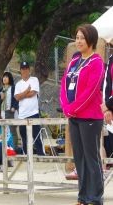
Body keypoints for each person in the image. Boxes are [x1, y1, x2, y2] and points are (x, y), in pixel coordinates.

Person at [60, 24, 104, 205]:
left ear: (91, 41)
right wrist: (65, 105)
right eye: (77, 37)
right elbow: (64, 83)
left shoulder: (96, 62)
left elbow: (91, 90)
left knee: (91, 157)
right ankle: (83, 196)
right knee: (79, 159)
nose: (78, 41)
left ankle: (95, 197)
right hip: (74, 116)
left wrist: (74, 107)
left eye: (82, 38)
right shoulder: (74, 61)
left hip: (90, 117)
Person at [14, 62, 45, 156]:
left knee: (36, 134)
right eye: (23, 68)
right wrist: (27, 91)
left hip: (33, 112)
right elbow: (16, 97)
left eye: (26, 68)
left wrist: (22, 95)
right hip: (22, 114)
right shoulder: (18, 84)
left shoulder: (34, 80)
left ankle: (41, 154)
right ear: (20, 70)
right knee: (24, 136)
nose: (25, 70)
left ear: (29, 69)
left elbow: (33, 93)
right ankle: (26, 154)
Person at [0, 72, 19, 149]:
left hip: (11, 111)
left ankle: (14, 148)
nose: (4, 78)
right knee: (5, 130)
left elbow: (16, 99)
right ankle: (6, 148)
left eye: (6, 77)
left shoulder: (13, 88)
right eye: (3, 77)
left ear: (10, 78)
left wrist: (14, 107)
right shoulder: (1, 89)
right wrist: (1, 98)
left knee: (12, 130)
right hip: (3, 111)